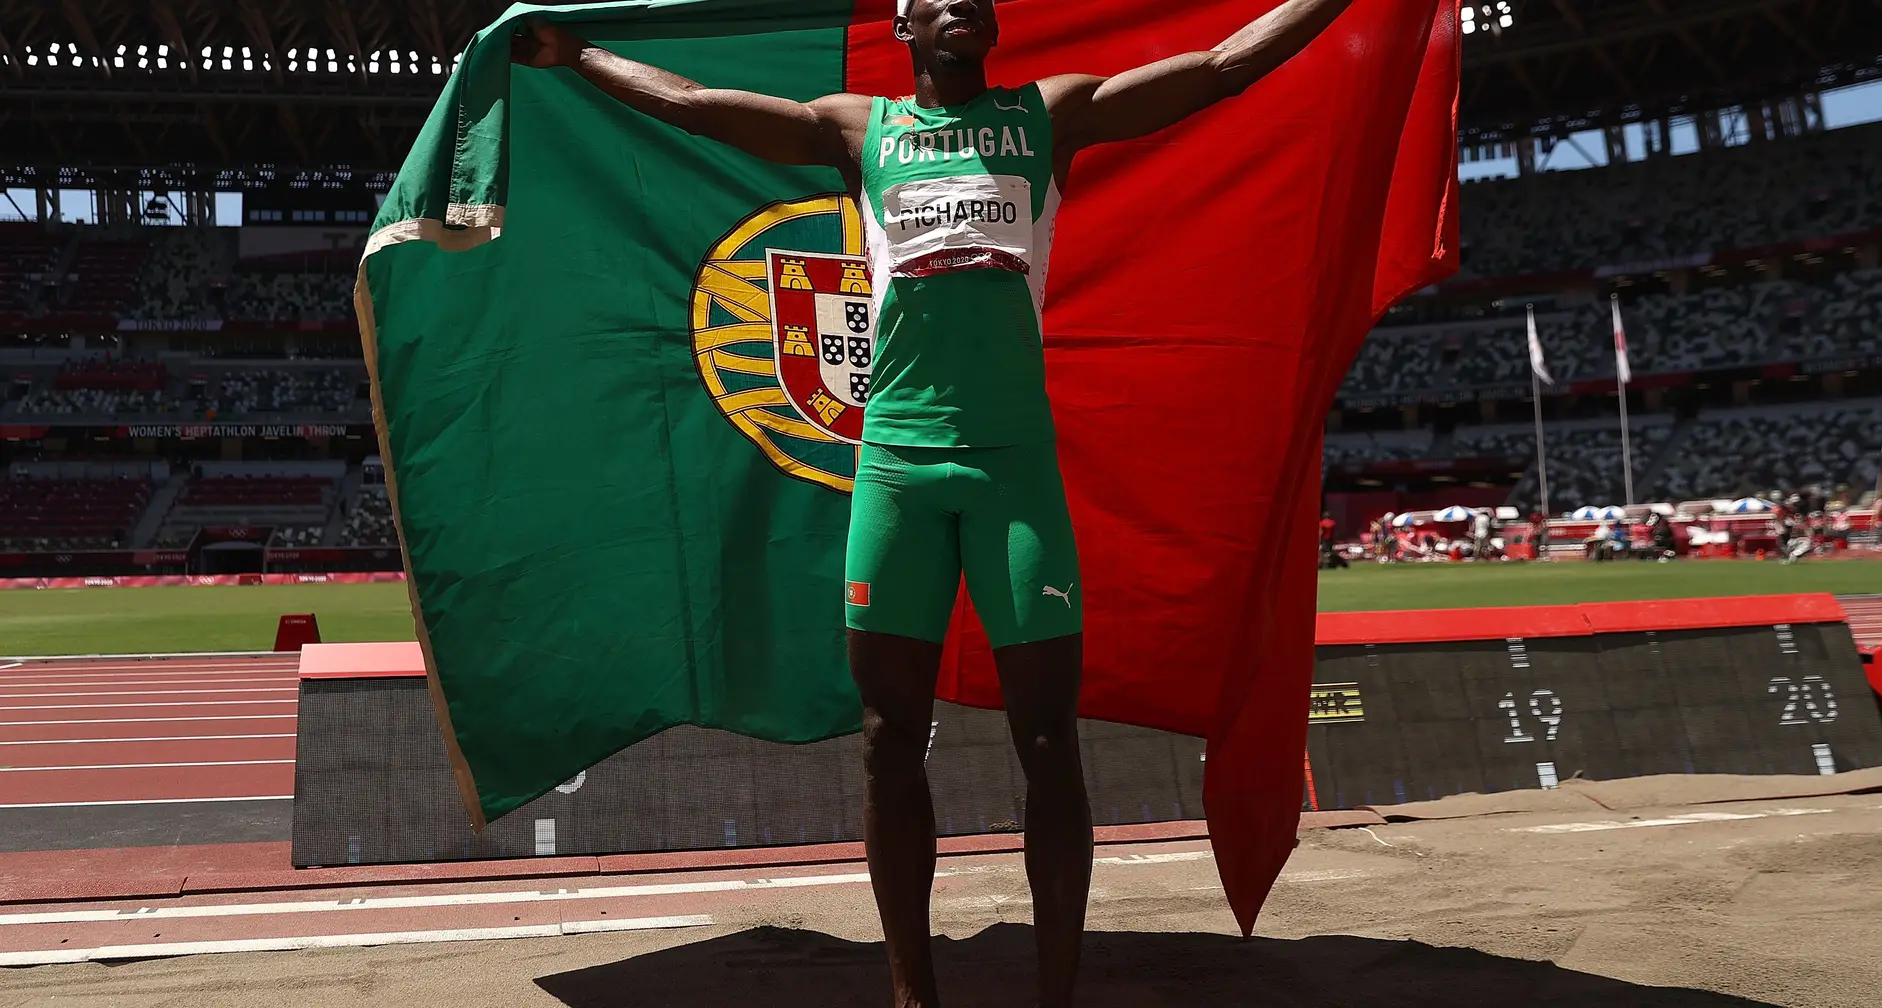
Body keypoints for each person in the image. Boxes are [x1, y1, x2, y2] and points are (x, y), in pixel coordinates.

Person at [514, 2, 1361, 1005]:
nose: (959, 1)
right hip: (898, 470)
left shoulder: (1050, 114)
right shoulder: (856, 129)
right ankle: (913, 991)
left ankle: (1058, 991)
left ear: (992, 24)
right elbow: (697, 107)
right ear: (908, 24)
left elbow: (1220, 64)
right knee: (886, 739)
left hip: (1013, 472)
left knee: (1049, 741)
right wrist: (578, 55)